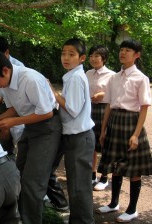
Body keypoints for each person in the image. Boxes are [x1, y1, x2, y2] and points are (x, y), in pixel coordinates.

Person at [0, 50, 62, 224]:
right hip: (30, 127)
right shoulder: (6, 83)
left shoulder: (30, 79)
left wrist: (12, 122)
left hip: (47, 128)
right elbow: (16, 107)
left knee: (33, 183)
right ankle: (20, 218)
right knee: (18, 175)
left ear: (5, 70)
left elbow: (46, 112)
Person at [96, 39, 152, 222]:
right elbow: (109, 106)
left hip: (131, 122)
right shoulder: (114, 77)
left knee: (133, 169)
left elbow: (144, 107)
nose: (123, 53)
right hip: (114, 122)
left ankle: (133, 209)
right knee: (114, 165)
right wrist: (103, 130)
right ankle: (113, 203)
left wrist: (136, 135)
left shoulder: (140, 78)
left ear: (137, 55)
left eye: (128, 50)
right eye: (121, 50)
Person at [50, 38, 95, 224]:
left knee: (79, 186)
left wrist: (53, 93)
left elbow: (73, 108)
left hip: (79, 138)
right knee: (76, 185)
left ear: (82, 57)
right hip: (76, 137)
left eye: (71, 54)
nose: (66, 57)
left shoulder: (76, 78)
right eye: (63, 53)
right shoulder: (72, 76)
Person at [86, 45, 115, 191]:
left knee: (104, 143)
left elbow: (115, 94)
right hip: (89, 109)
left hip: (104, 110)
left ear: (103, 58)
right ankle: (92, 175)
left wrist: (101, 95)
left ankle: (104, 177)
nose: (93, 58)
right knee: (91, 143)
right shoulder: (87, 73)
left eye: (96, 56)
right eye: (91, 55)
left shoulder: (111, 75)